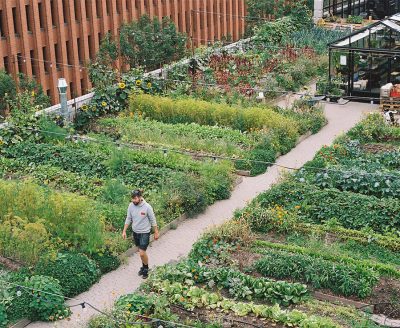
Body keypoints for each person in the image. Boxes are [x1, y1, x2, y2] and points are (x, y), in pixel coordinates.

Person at [122, 189, 159, 279]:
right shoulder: (131, 206)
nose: (133, 200)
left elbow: (153, 220)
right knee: (141, 252)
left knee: (142, 253)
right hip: (136, 232)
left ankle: (146, 269)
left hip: (145, 232)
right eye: (132, 199)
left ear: (140, 197)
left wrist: (156, 232)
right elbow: (128, 218)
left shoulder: (147, 207)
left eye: (135, 198)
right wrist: (124, 231)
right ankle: (143, 267)